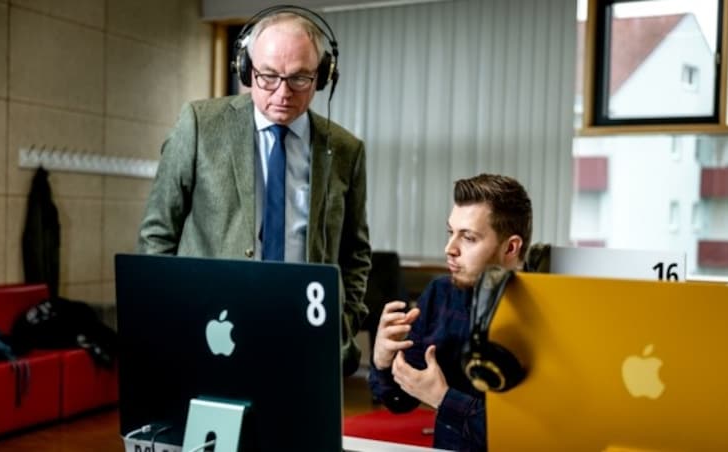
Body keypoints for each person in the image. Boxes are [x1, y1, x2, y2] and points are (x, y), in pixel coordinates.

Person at [137, 8, 371, 375]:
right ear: (246, 69)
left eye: (299, 79)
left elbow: (355, 251)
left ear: (323, 76)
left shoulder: (345, 149)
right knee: (214, 430)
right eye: (268, 76)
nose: (282, 93)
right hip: (213, 324)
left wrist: (347, 317)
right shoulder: (199, 124)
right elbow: (158, 232)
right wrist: (166, 316)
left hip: (304, 328)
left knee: (294, 431)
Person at [369, 174, 544, 451]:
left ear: (510, 247)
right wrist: (382, 361)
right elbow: (399, 402)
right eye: (451, 233)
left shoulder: (546, 312)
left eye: (469, 238)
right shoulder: (441, 293)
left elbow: (534, 435)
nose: (449, 249)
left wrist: (443, 398)